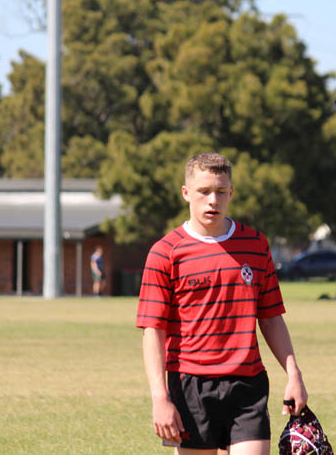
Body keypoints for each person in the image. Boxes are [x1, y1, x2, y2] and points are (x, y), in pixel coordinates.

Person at [136, 152, 308, 454]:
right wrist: (159, 397)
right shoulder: (165, 252)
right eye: (204, 191)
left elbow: (271, 317)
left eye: (221, 191)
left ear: (231, 193)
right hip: (190, 385)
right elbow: (153, 330)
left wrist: (294, 375)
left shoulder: (255, 244)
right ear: (186, 193)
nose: (213, 200)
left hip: (248, 384)